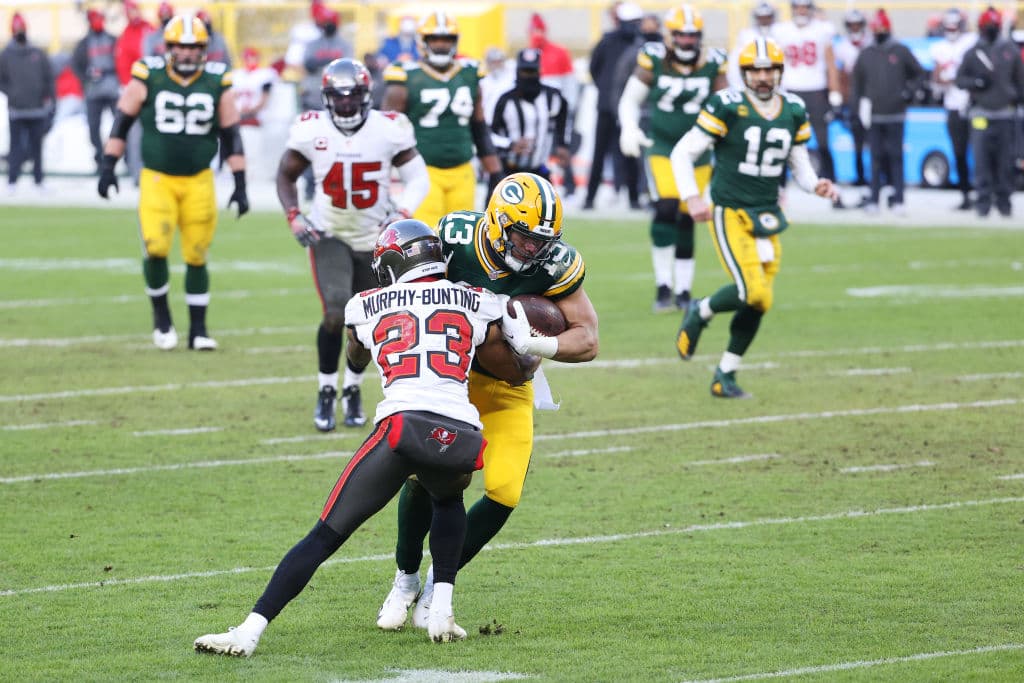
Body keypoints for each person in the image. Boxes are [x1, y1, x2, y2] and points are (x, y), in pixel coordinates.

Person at [193, 219, 531, 656]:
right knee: (448, 500)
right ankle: (441, 609)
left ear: (393, 264)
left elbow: (355, 353)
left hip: (402, 426)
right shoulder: (479, 300)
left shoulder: (366, 304)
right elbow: (510, 353)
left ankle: (249, 630)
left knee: (324, 535)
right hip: (461, 432)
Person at [375, 172, 600, 633]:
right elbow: (415, 297)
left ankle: (437, 583)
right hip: (453, 382)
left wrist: (536, 344)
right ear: (497, 223)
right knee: (422, 477)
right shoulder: (456, 238)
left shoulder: (556, 265)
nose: (533, 249)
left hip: (511, 387)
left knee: (504, 492)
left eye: (542, 241)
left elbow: (588, 339)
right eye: (524, 237)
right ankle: (405, 578)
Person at [671, 37, 837, 398]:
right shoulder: (727, 104)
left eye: (769, 70)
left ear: (780, 72)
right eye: (755, 70)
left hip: (768, 214)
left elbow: (798, 163)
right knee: (752, 290)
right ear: (744, 73)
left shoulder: (793, 108)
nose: (762, 77)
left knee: (760, 300)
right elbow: (682, 153)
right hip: (730, 210)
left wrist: (816, 185)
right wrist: (692, 197)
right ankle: (700, 310)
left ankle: (725, 375)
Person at [276, 58, 430, 431]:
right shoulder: (311, 129)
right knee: (334, 313)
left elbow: (418, 177)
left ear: (366, 95)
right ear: (327, 98)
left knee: (367, 323)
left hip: (375, 237)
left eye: (352, 96)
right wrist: (294, 215)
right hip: (328, 232)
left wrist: (402, 212)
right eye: (338, 96)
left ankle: (353, 388)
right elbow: (285, 174)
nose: (345, 103)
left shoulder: (388, 128)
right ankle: (326, 390)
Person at [96, 14, 249, 351]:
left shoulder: (217, 79)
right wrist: (108, 165)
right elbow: (122, 122)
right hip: (158, 178)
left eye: (194, 47)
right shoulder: (148, 74)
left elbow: (231, 134)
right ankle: (162, 318)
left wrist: (240, 183)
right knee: (156, 247)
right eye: (181, 46)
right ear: (168, 47)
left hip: (199, 180)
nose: (187, 53)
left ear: (204, 49)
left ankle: (198, 331)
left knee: (197, 253)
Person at [618, 5, 727, 314]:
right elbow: (630, 98)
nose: (687, 41)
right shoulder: (654, 58)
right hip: (663, 147)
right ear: (670, 36)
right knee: (666, 207)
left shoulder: (714, 62)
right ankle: (664, 284)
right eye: (681, 34)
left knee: (689, 214)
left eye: (692, 35)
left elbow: (727, 104)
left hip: (699, 151)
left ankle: (683, 290)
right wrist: (629, 127)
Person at [381, 12, 500, 229]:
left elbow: (479, 126)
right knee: (427, 235)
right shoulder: (405, 75)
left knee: (464, 236)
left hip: (463, 169)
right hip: (423, 170)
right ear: (422, 41)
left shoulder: (470, 73)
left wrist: (494, 172)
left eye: (447, 39)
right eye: (434, 39)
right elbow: (387, 130)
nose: (441, 45)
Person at [851, 9, 926, 216]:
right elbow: (857, 85)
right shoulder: (866, 54)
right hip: (874, 115)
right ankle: (874, 199)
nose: (879, 32)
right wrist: (857, 109)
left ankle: (898, 199)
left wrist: (908, 92)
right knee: (875, 159)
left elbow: (919, 74)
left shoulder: (900, 51)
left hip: (895, 114)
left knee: (896, 157)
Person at [956, 7, 1024, 218]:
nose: (990, 29)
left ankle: (1004, 202)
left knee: (1005, 161)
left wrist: (1017, 98)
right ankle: (983, 202)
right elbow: (960, 80)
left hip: (1005, 114)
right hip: (981, 115)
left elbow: (1020, 81)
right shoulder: (973, 52)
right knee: (981, 160)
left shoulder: (1010, 51)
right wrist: (975, 82)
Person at [773, 0, 842, 207]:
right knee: (782, 143)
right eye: (798, 7)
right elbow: (775, 63)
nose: (801, 11)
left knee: (823, 143)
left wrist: (835, 93)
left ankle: (834, 191)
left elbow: (831, 64)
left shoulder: (822, 29)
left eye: (805, 7)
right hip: (789, 91)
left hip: (816, 90)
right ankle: (779, 192)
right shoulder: (781, 31)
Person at [583, 1, 644, 210]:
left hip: (628, 108)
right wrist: (606, 90)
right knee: (599, 153)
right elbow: (594, 68)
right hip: (607, 107)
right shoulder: (607, 41)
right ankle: (590, 198)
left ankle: (634, 198)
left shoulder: (639, 44)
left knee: (631, 152)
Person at [488, 48, 571, 195]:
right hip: (508, 171)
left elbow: (563, 119)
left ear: (540, 71)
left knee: (548, 208)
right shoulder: (505, 99)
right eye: (525, 72)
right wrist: (510, 144)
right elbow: (488, 135)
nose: (529, 76)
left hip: (539, 170)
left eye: (532, 72)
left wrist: (562, 144)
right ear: (517, 72)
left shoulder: (553, 96)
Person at [298, 5, 352, 201]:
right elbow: (308, 64)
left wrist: (322, 63)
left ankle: (335, 184)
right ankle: (309, 185)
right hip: (312, 100)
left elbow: (347, 67)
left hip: (336, 103)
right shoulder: (312, 43)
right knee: (310, 144)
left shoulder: (344, 44)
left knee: (336, 146)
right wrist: (329, 62)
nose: (327, 25)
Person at [527, 12, 580, 198]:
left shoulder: (559, 52)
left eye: (539, 31)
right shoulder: (529, 54)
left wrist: (570, 107)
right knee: (537, 150)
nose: (537, 35)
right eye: (534, 31)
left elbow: (570, 82)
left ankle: (570, 186)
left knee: (562, 146)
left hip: (559, 110)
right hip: (537, 113)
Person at [0, 13, 55, 194]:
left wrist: (49, 99)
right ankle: (12, 181)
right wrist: (13, 93)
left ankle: (39, 180)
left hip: (37, 109)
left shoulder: (37, 53)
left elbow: (48, 78)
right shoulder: (6, 55)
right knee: (15, 147)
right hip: (16, 109)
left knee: (37, 147)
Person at [930, 9, 976, 210]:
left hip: (973, 106)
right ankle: (966, 194)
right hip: (953, 107)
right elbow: (936, 80)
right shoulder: (939, 48)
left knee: (981, 152)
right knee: (959, 153)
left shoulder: (970, 42)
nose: (951, 30)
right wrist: (942, 77)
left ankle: (985, 194)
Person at [72, 8, 120, 173]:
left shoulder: (113, 40)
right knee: (93, 128)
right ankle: (100, 159)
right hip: (93, 92)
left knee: (120, 125)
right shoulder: (84, 43)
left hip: (112, 90)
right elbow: (75, 65)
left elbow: (122, 60)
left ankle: (121, 157)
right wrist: (86, 77)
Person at [114, 0, 153, 185]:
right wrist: (128, 88)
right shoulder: (126, 35)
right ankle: (137, 174)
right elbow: (123, 66)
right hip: (136, 89)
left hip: (154, 88)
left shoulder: (150, 30)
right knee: (134, 135)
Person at [833, 9, 869, 188]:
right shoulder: (842, 47)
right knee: (858, 143)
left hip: (870, 97)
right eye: (852, 25)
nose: (855, 28)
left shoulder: (869, 44)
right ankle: (860, 176)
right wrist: (841, 101)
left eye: (857, 24)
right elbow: (841, 76)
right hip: (854, 98)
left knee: (877, 143)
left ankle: (880, 178)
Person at [232, 47, 278, 176]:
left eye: (252, 57)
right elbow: (231, 96)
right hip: (238, 119)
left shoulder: (265, 74)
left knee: (256, 154)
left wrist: (251, 110)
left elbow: (265, 98)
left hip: (258, 119)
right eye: (247, 58)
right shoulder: (237, 75)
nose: (250, 60)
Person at [728, 2, 777, 90]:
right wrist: (738, 87)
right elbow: (734, 64)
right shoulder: (746, 36)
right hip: (751, 80)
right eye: (761, 18)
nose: (764, 21)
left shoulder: (779, 34)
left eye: (767, 17)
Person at [479, 47, 513, 125]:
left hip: (508, 122)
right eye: (493, 62)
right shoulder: (483, 83)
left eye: (499, 61)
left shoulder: (511, 80)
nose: (496, 64)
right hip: (489, 122)